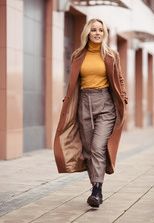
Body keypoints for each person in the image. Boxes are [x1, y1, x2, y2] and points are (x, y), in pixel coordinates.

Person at [54, 18, 128, 208]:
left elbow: (119, 77)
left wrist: (124, 98)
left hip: (105, 104)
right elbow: (74, 82)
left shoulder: (112, 55)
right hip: (84, 103)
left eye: (100, 30)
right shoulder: (78, 55)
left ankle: (97, 189)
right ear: (87, 32)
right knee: (88, 148)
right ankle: (96, 187)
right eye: (93, 30)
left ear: (104, 34)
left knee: (97, 146)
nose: (97, 33)